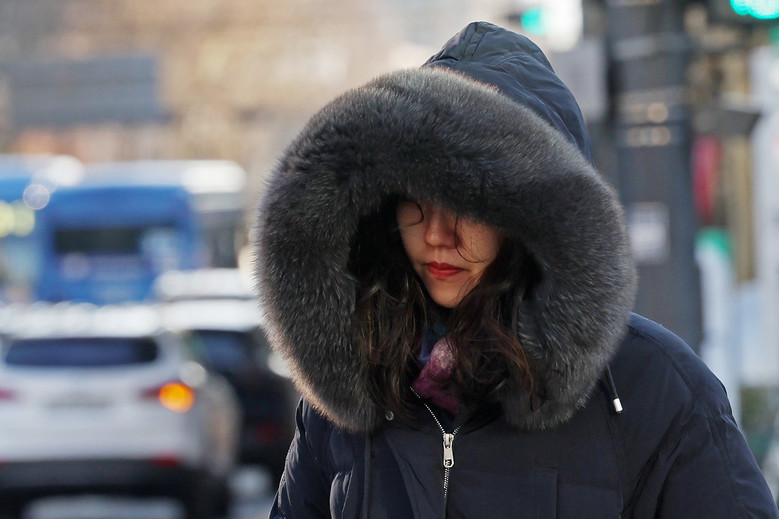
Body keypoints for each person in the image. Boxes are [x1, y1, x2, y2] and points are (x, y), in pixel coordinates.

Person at [254, 21, 778, 518]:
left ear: (533, 217)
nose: (436, 234)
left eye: (470, 203)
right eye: (416, 199)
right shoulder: (350, 385)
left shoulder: (652, 387)